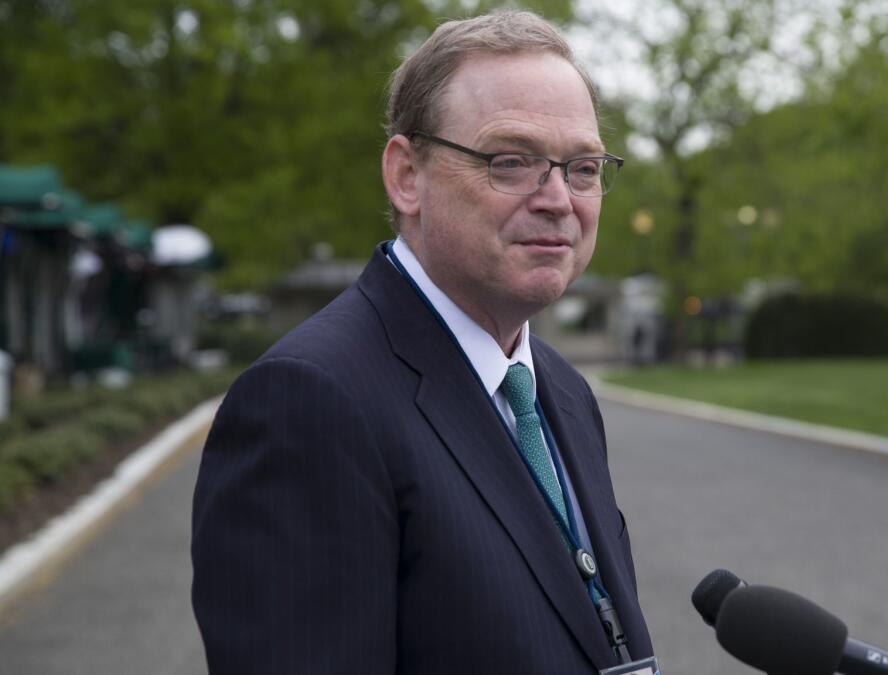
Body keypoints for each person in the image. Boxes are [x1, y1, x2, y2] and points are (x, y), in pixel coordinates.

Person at [191, 11, 655, 674]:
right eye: (511, 161)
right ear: (407, 175)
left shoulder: (562, 390)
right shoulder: (308, 401)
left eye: (582, 167)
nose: (557, 198)